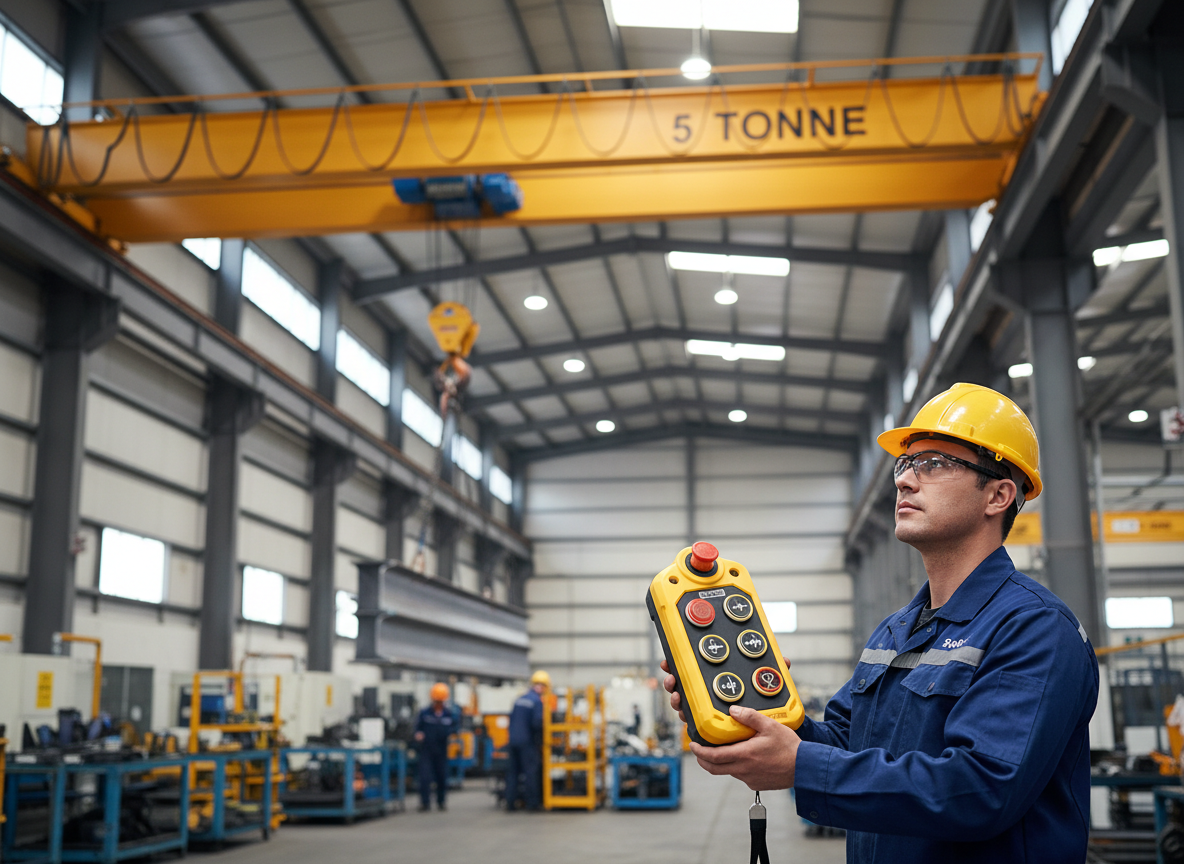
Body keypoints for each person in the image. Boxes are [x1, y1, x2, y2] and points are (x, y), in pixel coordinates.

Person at [664, 383, 1100, 863]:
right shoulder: (894, 632)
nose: (905, 481)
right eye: (905, 465)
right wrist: (752, 714)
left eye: (933, 463)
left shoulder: (1034, 628)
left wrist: (801, 766)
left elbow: (980, 790)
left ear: (998, 496)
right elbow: (846, 745)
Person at [504, 670, 549, 811]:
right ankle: (532, 804)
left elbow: (511, 720)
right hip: (527, 742)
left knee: (513, 773)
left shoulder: (518, 699)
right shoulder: (536, 701)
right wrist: (541, 739)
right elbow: (537, 723)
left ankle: (510, 803)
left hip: (512, 741)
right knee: (531, 772)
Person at [414, 682, 458, 812]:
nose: (438, 704)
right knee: (425, 777)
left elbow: (455, 728)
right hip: (427, 750)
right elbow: (417, 728)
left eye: (441, 701)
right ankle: (425, 803)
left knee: (442, 777)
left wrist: (449, 733)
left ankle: (441, 802)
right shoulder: (425, 713)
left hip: (442, 750)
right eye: (437, 701)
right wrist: (418, 734)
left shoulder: (449, 715)